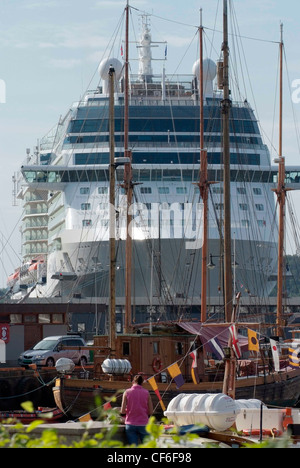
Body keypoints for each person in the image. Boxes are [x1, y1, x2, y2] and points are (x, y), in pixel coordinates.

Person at [120, 374, 153, 445]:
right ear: (142, 383)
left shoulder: (127, 392)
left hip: (130, 424)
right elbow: (151, 411)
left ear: (132, 382)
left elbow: (122, 411)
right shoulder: (147, 393)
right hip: (143, 424)